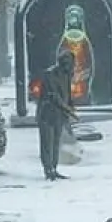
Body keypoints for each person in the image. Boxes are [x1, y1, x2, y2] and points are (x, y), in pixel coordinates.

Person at [37, 50, 77, 181]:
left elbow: (67, 94)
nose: (72, 66)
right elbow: (54, 96)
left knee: (55, 143)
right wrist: (69, 110)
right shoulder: (50, 74)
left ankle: (54, 168)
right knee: (47, 143)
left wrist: (71, 106)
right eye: (70, 63)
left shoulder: (66, 75)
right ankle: (48, 170)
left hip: (59, 114)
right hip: (47, 114)